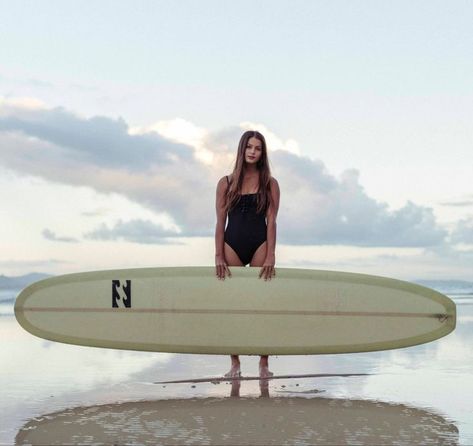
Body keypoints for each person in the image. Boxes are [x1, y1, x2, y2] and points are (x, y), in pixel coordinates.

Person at [214, 130, 280, 379]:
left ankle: (263, 363)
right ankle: (235, 364)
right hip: (232, 245)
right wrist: (218, 255)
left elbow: (272, 222)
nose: (253, 152)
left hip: (260, 243)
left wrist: (271, 254)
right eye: (249, 147)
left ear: (263, 153)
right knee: (232, 306)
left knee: (263, 304)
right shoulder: (226, 183)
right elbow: (220, 222)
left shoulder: (270, 184)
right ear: (242, 150)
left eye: (258, 148)